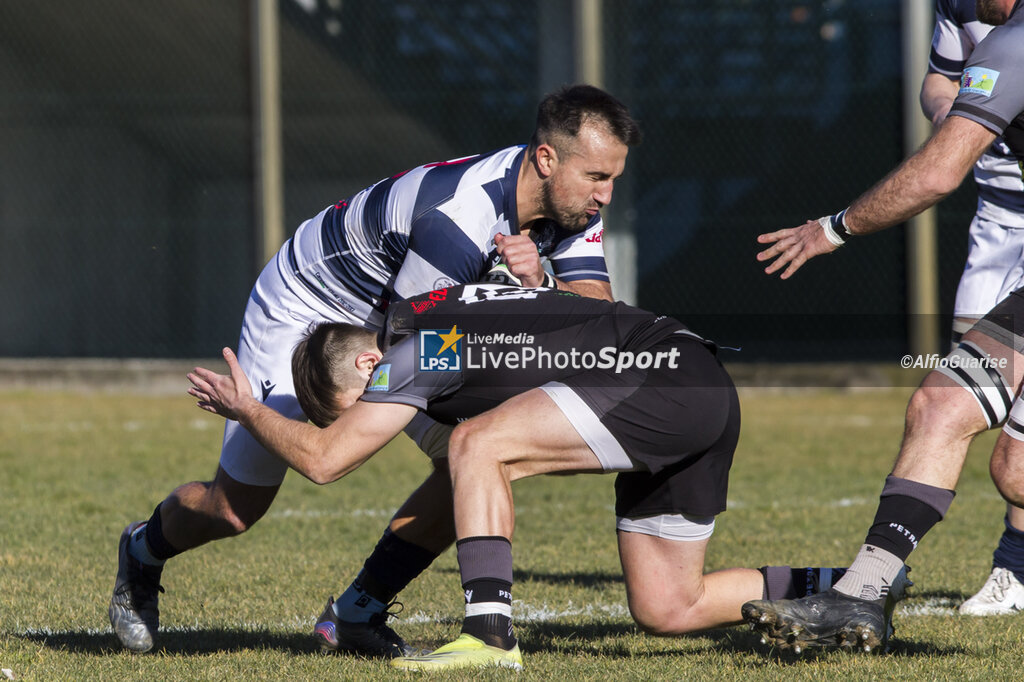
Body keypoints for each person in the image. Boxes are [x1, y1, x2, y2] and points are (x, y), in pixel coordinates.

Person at [108, 84, 642, 654]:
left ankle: (357, 611)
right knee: (236, 509)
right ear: (546, 159)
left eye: (612, 178)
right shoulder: (459, 222)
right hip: (307, 305)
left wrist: (542, 284)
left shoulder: (570, 203)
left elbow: (596, 315)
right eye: (596, 178)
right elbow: (415, 346)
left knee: (478, 449)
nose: (606, 196)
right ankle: (142, 551)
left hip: (396, 313)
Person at [187, 282, 859, 671]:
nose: (372, 418)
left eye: (361, 409)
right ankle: (859, 589)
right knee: (667, 606)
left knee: (476, 443)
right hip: (690, 386)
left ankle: (488, 634)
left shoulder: (411, 347)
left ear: (367, 369)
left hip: (663, 378)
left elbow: (326, 461)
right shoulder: (436, 320)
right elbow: (455, 488)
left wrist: (246, 409)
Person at [743, 0, 1024, 652]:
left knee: (1009, 466)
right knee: (943, 405)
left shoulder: (1014, 44)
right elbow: (941, 90)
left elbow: (936, 173)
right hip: (1005, 225)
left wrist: (832, 229)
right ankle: (861, 596)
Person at [922, 0, 1024, 616]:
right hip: (998, 217)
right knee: (960, 391)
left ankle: (1014, 566)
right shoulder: (958, 4)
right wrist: (958, 117)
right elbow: (940, 77)